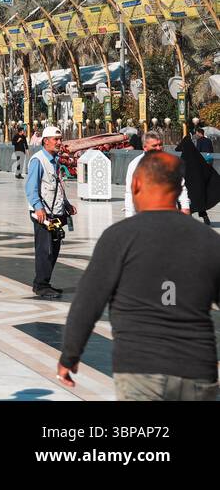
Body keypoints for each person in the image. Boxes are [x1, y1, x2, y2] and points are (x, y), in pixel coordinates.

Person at [58, 151, 220, 400]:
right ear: (179, 189)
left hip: (139, 369)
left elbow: (88, 302)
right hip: (196, 369)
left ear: (135, 184)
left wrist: (70, 354)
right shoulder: (209, 240)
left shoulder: (119, 238)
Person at [25, 125, 76, 299]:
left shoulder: (55, 159)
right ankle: (41, 286)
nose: (59, 143)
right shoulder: (38, 160)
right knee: (45, 250)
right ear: (46, 142)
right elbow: (31, 187)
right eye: (56, 139)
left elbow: (57, 186)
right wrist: (38, 207)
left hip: (56, 212)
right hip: (44, 214)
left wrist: (67, 204)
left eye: (60, 139)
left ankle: (43, 282)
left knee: (54, 249)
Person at [124, 131, 189, 217]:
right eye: (154, 146)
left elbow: (181, 186)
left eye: (160, 145)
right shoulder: (135, 165)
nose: (158, 148)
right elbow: (130, 192)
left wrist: (185, 207)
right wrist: (129, 216)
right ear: (145, 147)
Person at [177, 132, 220, 225]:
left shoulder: (183, 158)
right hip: (198, 187)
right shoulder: (197, 158)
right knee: (200, 202)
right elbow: (207, 170)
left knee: (188, 203)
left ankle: (190, 221)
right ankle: (205, 218)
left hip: (188, 187)